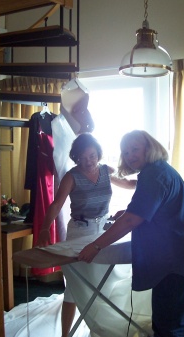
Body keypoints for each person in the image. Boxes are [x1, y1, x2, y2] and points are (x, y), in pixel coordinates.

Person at [78, 130, 184, 337]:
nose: (130, 155)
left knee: (169, 325)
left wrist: (96, 245)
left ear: (149, 148)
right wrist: (127, 212)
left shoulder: (154, 174)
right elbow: (149, 208)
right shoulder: (157, 171)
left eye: (135, 149)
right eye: (125, 152)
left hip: (181, 260)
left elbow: (131, 220)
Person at [36, 132, 135, 337]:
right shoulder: (72, 176)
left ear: (98, 154)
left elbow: (127, 184)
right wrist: (45, 228)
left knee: (104, 281)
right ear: (76, 157)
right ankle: (66, 334)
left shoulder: (106, 170)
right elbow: (56, 204)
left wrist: (149, 181)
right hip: (80, 231)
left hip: (104, 231)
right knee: (75, 284)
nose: (87, 161)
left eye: (91, 155)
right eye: (82, 157)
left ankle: (99, 329)